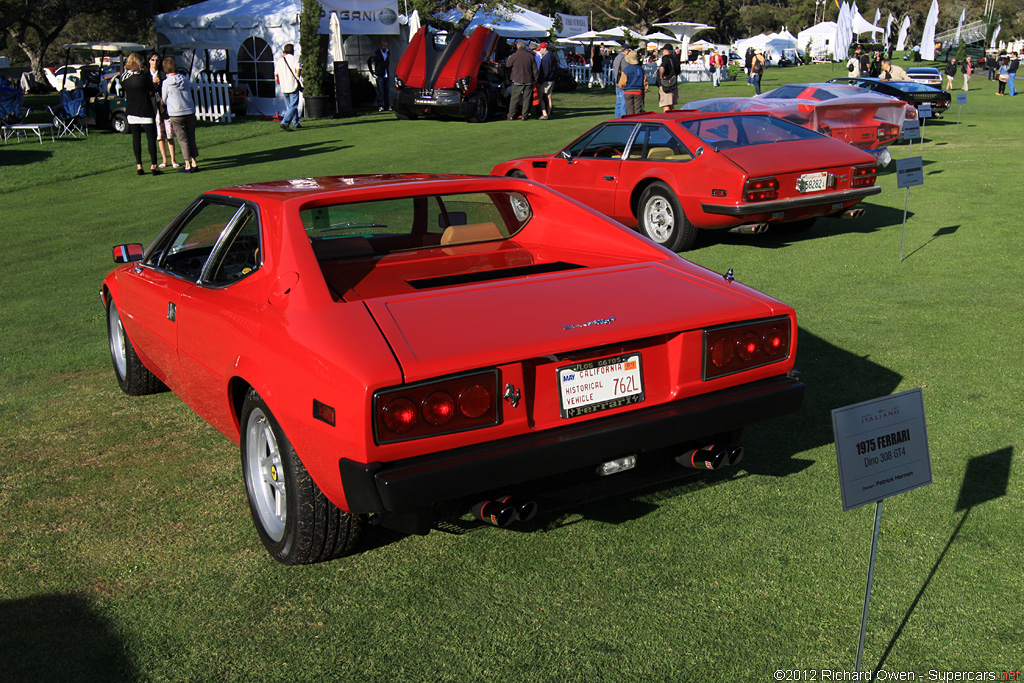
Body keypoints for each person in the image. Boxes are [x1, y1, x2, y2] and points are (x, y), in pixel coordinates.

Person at [120, 53, 161, 176]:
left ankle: (139, 165)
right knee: (150, 138)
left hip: (131, 110)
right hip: (145, 109)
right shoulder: (143, 77)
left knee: (136, 138)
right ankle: (154, 165)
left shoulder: (124, 77)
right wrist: (156, 83)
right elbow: (152, 89)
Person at [161, 57, 200, 173]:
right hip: (189, 110)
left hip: (176, 113)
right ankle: (194, 161)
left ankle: (187, 164)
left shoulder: (167, 82)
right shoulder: (185, 79)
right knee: (191, 137)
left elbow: (163, 98)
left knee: (182, 139)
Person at [148, 53, 179, 170]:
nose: (155, 62)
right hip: (153, 108)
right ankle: (164, 160)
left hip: (164, 107)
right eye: (152, 60)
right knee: (160, 135)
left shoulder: (162, 75)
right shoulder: (147, 76)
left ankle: (173, 160)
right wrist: (153, 82)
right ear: (149, 61)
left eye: (157, 60)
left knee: (169, 134)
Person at [506, 40, 537, 120]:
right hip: (528, 79)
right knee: (526, 99)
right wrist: (536, 78)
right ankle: (524, 115)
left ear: (518, 46)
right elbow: (535, 69)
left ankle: (511, 115)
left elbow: (508, 65)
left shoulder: (515, 55)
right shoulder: (530, 56)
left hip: (517, 79)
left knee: (514, 98)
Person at [275, 43, 302, 131]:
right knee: (293, 106)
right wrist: (297, 77)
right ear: (293, 50)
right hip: (293, 84)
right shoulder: (295, 59)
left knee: (289, 106)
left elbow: (276, 74)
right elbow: (298, 69)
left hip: (284, 86)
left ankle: (295, 122)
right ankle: (285, 122)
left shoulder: (280, 61)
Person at [619, 50, 647, 115]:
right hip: (639, 91)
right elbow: (645, 82)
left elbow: (622, 83)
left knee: (629, 111)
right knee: (638, 111)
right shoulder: (641, 70)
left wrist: (623, 87)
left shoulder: (626, 70)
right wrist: (645, 90)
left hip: (628, 91)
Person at [368, 39, 391, 111]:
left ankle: (387, 105)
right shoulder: (376, 53)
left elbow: (387, 62)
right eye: (383, 46)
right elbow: (369, 61)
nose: (385, 47)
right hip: (379, 74)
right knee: (380, 91)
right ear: (381, 46)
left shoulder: (388, 52)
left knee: (386, 91)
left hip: (386, 74)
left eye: (385, 46)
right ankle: (381, 105)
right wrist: (372, 72)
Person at [536, 42, 556, 119]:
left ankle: (545, 113)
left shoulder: (546, 58)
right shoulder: (552, 56)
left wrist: (540, 82)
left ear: (544, 49)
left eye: (540, 49)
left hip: (546, 80)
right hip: (552, 79)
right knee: (549, 97)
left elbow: (545, 71)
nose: (540, 51)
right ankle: (549, 112)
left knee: (540, 96)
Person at [658, 44, 679, 112]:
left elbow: (662, 67)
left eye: (663, 51)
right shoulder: (675, 59)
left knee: (666, 105)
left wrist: (661, 76)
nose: (662, 52)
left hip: (666, 84)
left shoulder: (666, 58)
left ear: (667, 51)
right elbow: (678, 72)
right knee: (671, 105)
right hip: (673, 83)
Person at [611, 48, 629, 117]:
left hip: (617, 81)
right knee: (623, 102)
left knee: (618, 101)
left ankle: (617, 117)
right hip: (622, 81)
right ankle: (622, 116)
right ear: (626, 51)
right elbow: (625, 70)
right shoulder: (624, 58)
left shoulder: (617, 57)